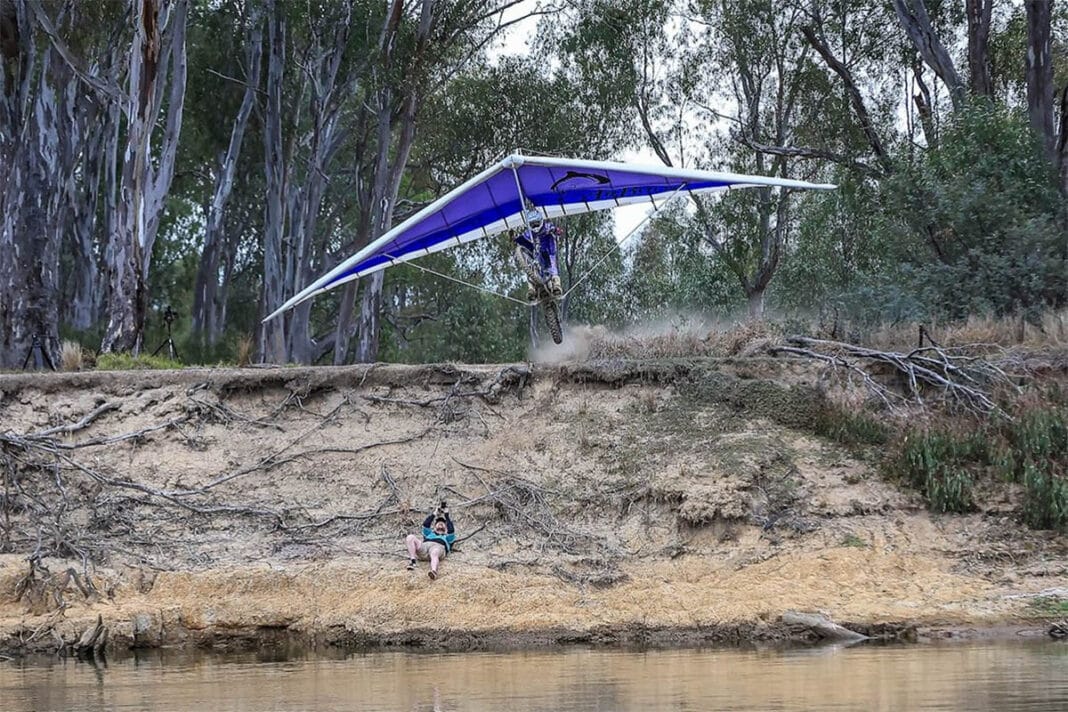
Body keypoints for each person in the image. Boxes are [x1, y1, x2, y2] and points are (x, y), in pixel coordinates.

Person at [513, 208, 562, 302]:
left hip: (549, 250)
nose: (535, 226)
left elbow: (557, 231)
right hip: (536, 253)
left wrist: (556, 231)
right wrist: (515, 239)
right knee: (530, 268)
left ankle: (557, 285)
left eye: (536, 223)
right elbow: (523, 238)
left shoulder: (547, 227)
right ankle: (531, 289)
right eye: (532, 224)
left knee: (552, 266)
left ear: (541, 221)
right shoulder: (529, 233)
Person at [405, 501, 456, 580]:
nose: (440, 524)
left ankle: (434, 572)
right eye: (438, 523)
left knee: (434, 551)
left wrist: (447, 515)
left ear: (446, 528)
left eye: (443, 524)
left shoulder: (447, 537)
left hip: (438, 547)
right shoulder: (429, 534)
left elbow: (451, 530)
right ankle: (413, 561)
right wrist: (434, 513)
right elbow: (426, 524)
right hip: (424, 548)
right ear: (434, 527)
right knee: (410, 537)